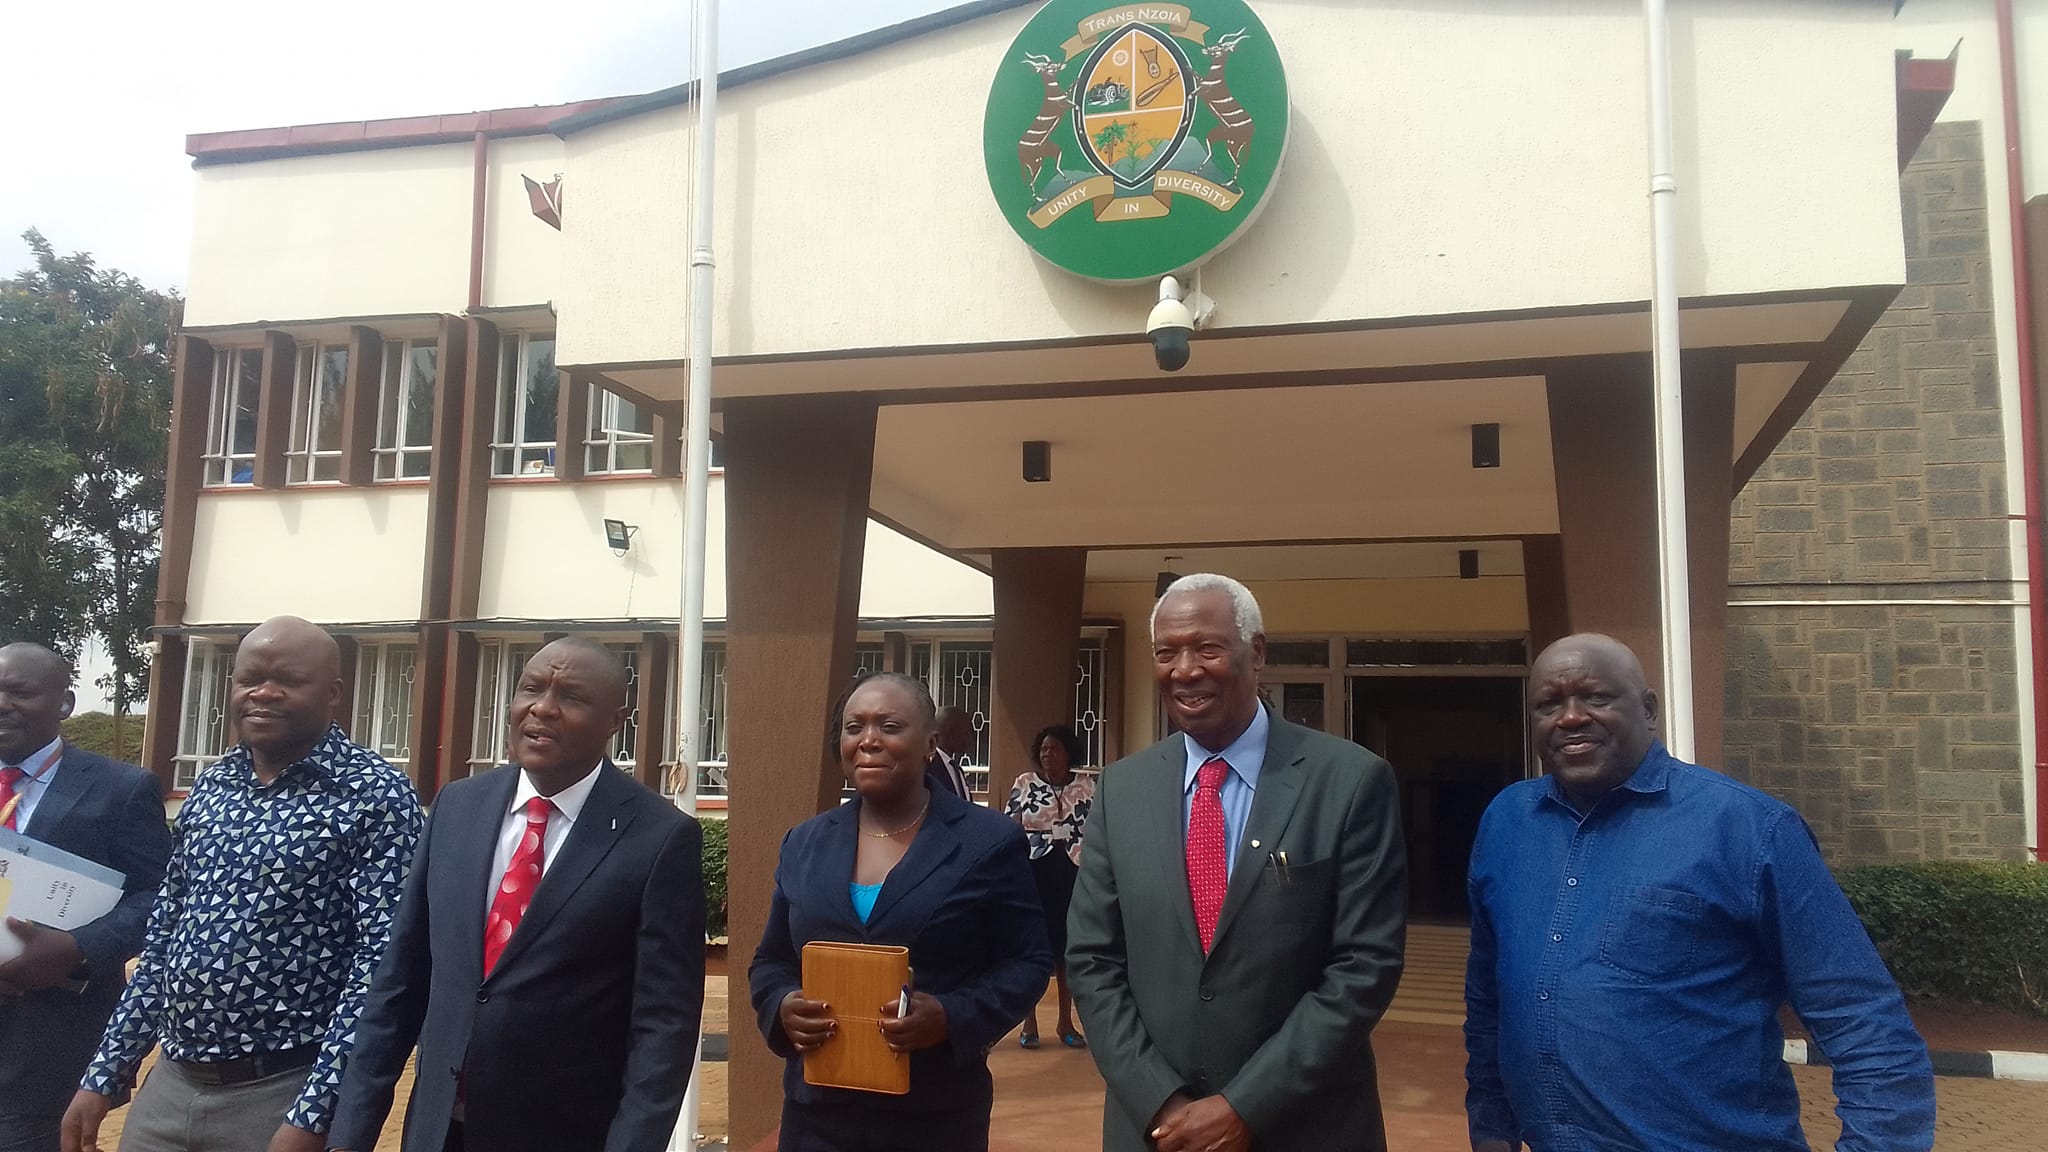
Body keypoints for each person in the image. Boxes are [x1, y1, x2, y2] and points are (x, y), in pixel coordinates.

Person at [1463, 633, 1936, 1152]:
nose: (1571, 718)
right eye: (1548, 705)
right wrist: (1492, 1126)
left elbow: (1864, 1021)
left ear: (1648, 710)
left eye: (1596, 697)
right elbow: (1490, 997)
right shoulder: (1507, 823)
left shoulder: (1749, 829)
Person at [1069, 574, 1408, 1152]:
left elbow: (1363, 966)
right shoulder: (1121, 789)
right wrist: (1162, 1099)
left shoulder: (1350, 781)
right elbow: (1093, 959)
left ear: (1257, 654)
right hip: (1156, 1128)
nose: (1184, 670)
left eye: (1207, 648)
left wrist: (1243, 1106)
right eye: (1166, 652)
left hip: (1304, 1126)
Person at [327, 637, 704, 1152]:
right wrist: (350, 1135)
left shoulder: (659, 838)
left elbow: (664, 1026)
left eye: (570, 697)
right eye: (531, 688)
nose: (542, 708)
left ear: (617, 721)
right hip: (438, 1132)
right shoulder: (457, 807)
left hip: (565, 1133)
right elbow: (400, 980)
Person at [62, 617, 423, 1152]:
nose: (264, 693)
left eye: (288, 680)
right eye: (249, 678)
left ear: (333, 694)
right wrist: (105, 1071)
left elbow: (380, 969)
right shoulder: (212, 786)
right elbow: (165, 940)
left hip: (281, 1092)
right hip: (172, 1084)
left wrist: (316, 1113)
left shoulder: (376, 797)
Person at [751, 672, 1051, 1152]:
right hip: (817, 1117)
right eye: (854, 727)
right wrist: (782, 1005)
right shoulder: (804, 842)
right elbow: (771, 959)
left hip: (935, 1116)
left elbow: (1029, 962)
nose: (869, 740)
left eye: (890, 726)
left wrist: (952, 1016)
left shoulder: (987, 840)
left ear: (931, 743)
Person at [0, 643, 173, 1152]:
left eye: (19, 692)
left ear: (64, 703)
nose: (2, 703)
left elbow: (159, 898)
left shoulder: (121, 790)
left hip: (49, 1042)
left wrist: (76, 948)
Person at [1002, 723, 1094, 1050]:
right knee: (1034, 948)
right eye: (1043, 749)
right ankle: (1029, 1023)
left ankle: (1066, 1023)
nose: (1047, 754)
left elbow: (1097, 832)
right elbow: (1009, 828)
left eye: (1054, 748)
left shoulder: (1086, 786)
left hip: (1072, 875)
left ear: (1069, 752)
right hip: (1034, 873)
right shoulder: (1025, 784)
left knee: (1066, 951)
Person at [923, 706, 973, 800]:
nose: (971, 738)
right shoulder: (927, 768)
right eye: (968, 731)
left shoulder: (956, 770)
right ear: (952, 732)